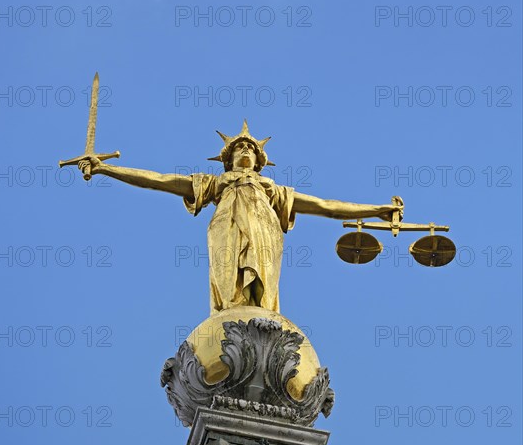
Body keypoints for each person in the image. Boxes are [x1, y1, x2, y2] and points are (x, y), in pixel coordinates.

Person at [78, 121, 402, 314]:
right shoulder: (216, 184)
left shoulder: (271, 189)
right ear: (229, 158)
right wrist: (107, 169)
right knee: (230, 285)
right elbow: (162, 180)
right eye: (239, 148)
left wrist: (376, 210)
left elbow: (325, 205)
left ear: (259, 161)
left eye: (250, 148)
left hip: (264, 232)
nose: (245, 150)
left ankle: (259, 314)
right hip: (226, 231)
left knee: (261, 293)